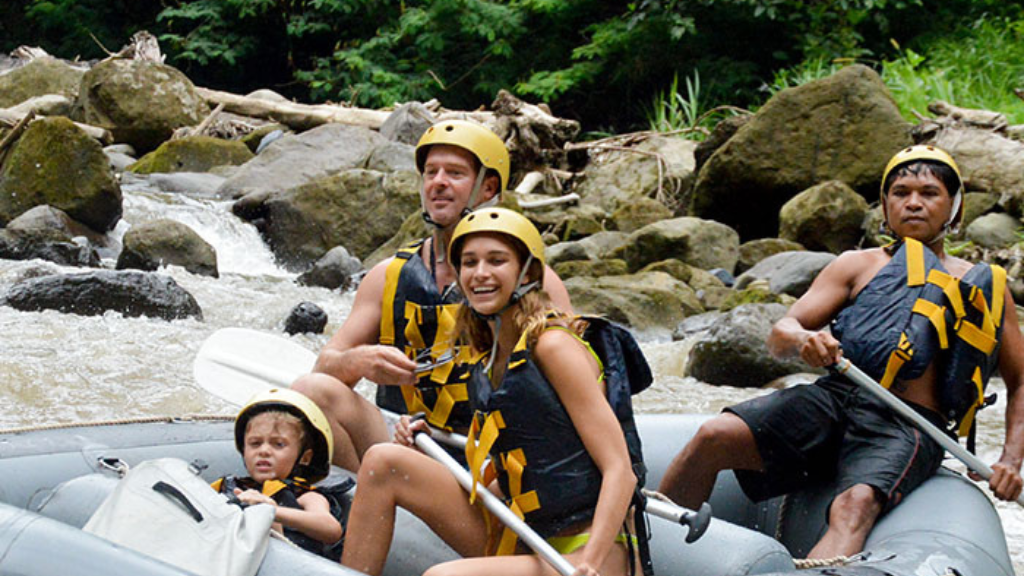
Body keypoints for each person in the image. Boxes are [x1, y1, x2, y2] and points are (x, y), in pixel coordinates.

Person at [657, 145, 1024, 559]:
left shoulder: (984, 288)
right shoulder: (856, 265)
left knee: (854, 506)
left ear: (954, 209)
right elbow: (782, 331)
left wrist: (1011, 459)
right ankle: (642, 555)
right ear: (885, 207)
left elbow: (1020, 379)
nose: (914, 202)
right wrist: (803, 341)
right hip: (836, 399)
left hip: (909, 424)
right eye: (901, 192)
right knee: (713, 435)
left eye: (929, 192)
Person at [341, 208, 646, 576]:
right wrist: (424, 435)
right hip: (526, 530)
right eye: (469, 263)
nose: (480, 273)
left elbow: (620, 470)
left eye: (496, 261)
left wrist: (592, 564)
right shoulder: (488, 353)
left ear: (528, 273)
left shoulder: (553, 346)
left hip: (586, 548)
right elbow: (523, 465)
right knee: (382, 461)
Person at [292, 119, 572, 471]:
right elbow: (325, 366)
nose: (438, 182)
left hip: (491, 461)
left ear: (487, 189)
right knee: (311, 388)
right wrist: (358, 361)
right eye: (430, 172)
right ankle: (360, 505)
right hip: (401, 446)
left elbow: (573, 389)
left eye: (454, 173)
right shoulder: (387, 277)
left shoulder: (533, 280)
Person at [212, 388, 345, 559]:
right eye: (255, 443)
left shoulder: (305, 496)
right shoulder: (232, 488)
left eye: (278, 444)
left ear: (304, 458)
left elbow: (330, 529)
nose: (264, 451)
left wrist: (272, 511)